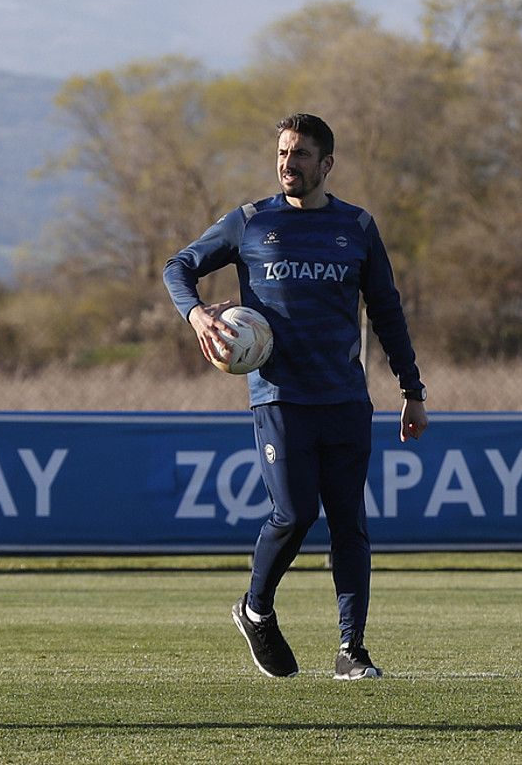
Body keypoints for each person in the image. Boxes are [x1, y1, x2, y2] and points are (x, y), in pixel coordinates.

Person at [162, 113, 427, 680]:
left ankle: (351, 650)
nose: (288, 163)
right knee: (295, 512)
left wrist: (412, 389)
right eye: (283, 152)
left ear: (326, 164)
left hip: (345, 400)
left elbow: (387, 312)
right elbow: (177, 265)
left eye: (301, 154)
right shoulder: (250, 223)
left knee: (350, 523)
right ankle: (256, 609)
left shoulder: (356, 227)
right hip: (279, 397)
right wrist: (197, 314)